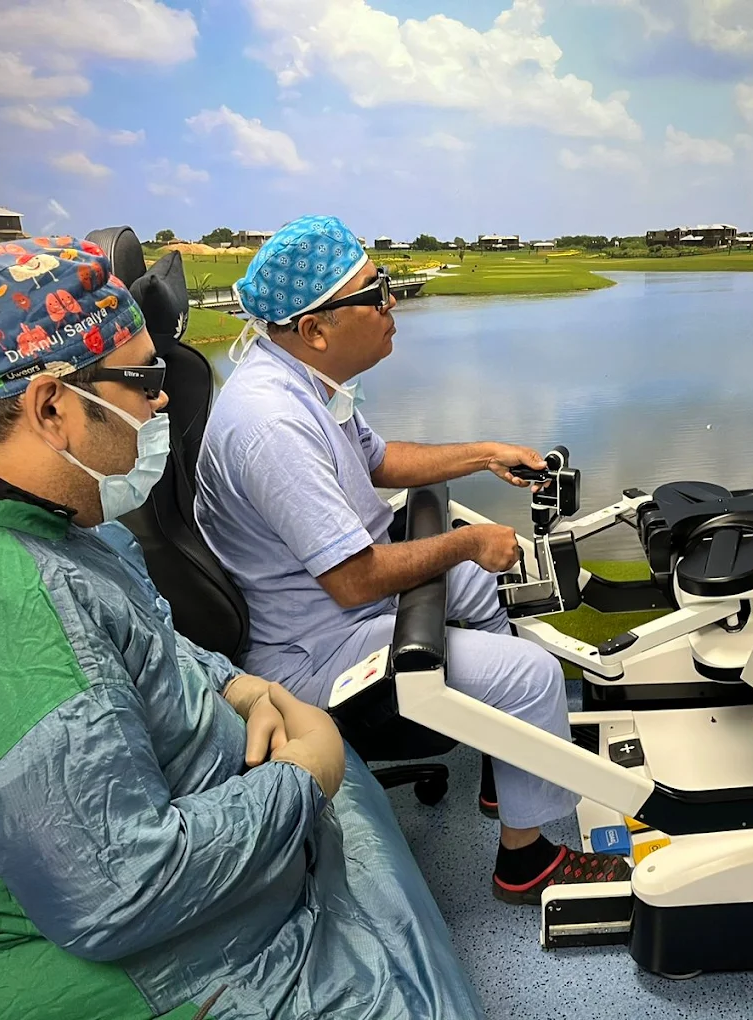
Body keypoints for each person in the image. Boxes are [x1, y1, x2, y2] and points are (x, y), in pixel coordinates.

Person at [0, 238, 483, 1020]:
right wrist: (305, 776)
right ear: (51, 407)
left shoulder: (19, 517)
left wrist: (236, 685)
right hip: (138, 964)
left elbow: (143, 633)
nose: (163, 405)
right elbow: (122, 892)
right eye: (145, 379)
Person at [194, 215, 631, 905]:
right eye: (375, 293)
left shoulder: (306, 381)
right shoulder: (271, 425)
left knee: (478, 587)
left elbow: (380, 461)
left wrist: (485, 453)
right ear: (315, 328)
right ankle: (527, 863)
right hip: (313, 649)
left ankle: (510, 763)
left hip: (341, 603)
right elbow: (354, 579)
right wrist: (467, 541)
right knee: (532, 674)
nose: (392, 301)